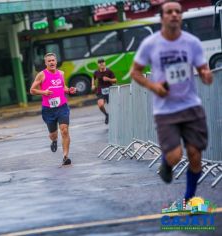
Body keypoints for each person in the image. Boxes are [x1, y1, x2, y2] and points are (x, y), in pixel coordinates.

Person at [130, 0, 213, 201]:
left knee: (195, 154)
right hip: (165, 109)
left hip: (191, 105)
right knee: (175, 156)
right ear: (162, 17)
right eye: (169, 12)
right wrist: (154, 87)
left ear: (181, 16)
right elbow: (135, 72)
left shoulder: (192, 42)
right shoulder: (151, 44)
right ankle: (167, 164)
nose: (174, 14)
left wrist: (206, 74)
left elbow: (203, 68)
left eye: (178, 11)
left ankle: (188, 198)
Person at [30, 53, 77, 166]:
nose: (51, 62)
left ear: (56, 62)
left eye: (53, 60)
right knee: (53, 134)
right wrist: (43, 92)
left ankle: (65, 156)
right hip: (48, 109)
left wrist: (69, 90)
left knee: (64, 130)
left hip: (62, 107)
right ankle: (54, 141)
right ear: (45, 63)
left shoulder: (61, 73)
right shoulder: (41, 75)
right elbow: (32, 90)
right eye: (49, 61)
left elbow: (62, 87)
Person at [91, 58, 117, 124]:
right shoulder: (96, 72)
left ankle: (114, 118)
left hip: (110, 90)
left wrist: (108, 79)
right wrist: (93, 85)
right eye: (100, 62)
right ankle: (106, 115)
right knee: (100, 105)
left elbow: (115, 80)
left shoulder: (109, 71)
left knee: (112, 106)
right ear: (98, 64)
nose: (101, 63)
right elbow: (93, 78)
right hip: (100, 90)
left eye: (102, 62)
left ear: (105, 63)